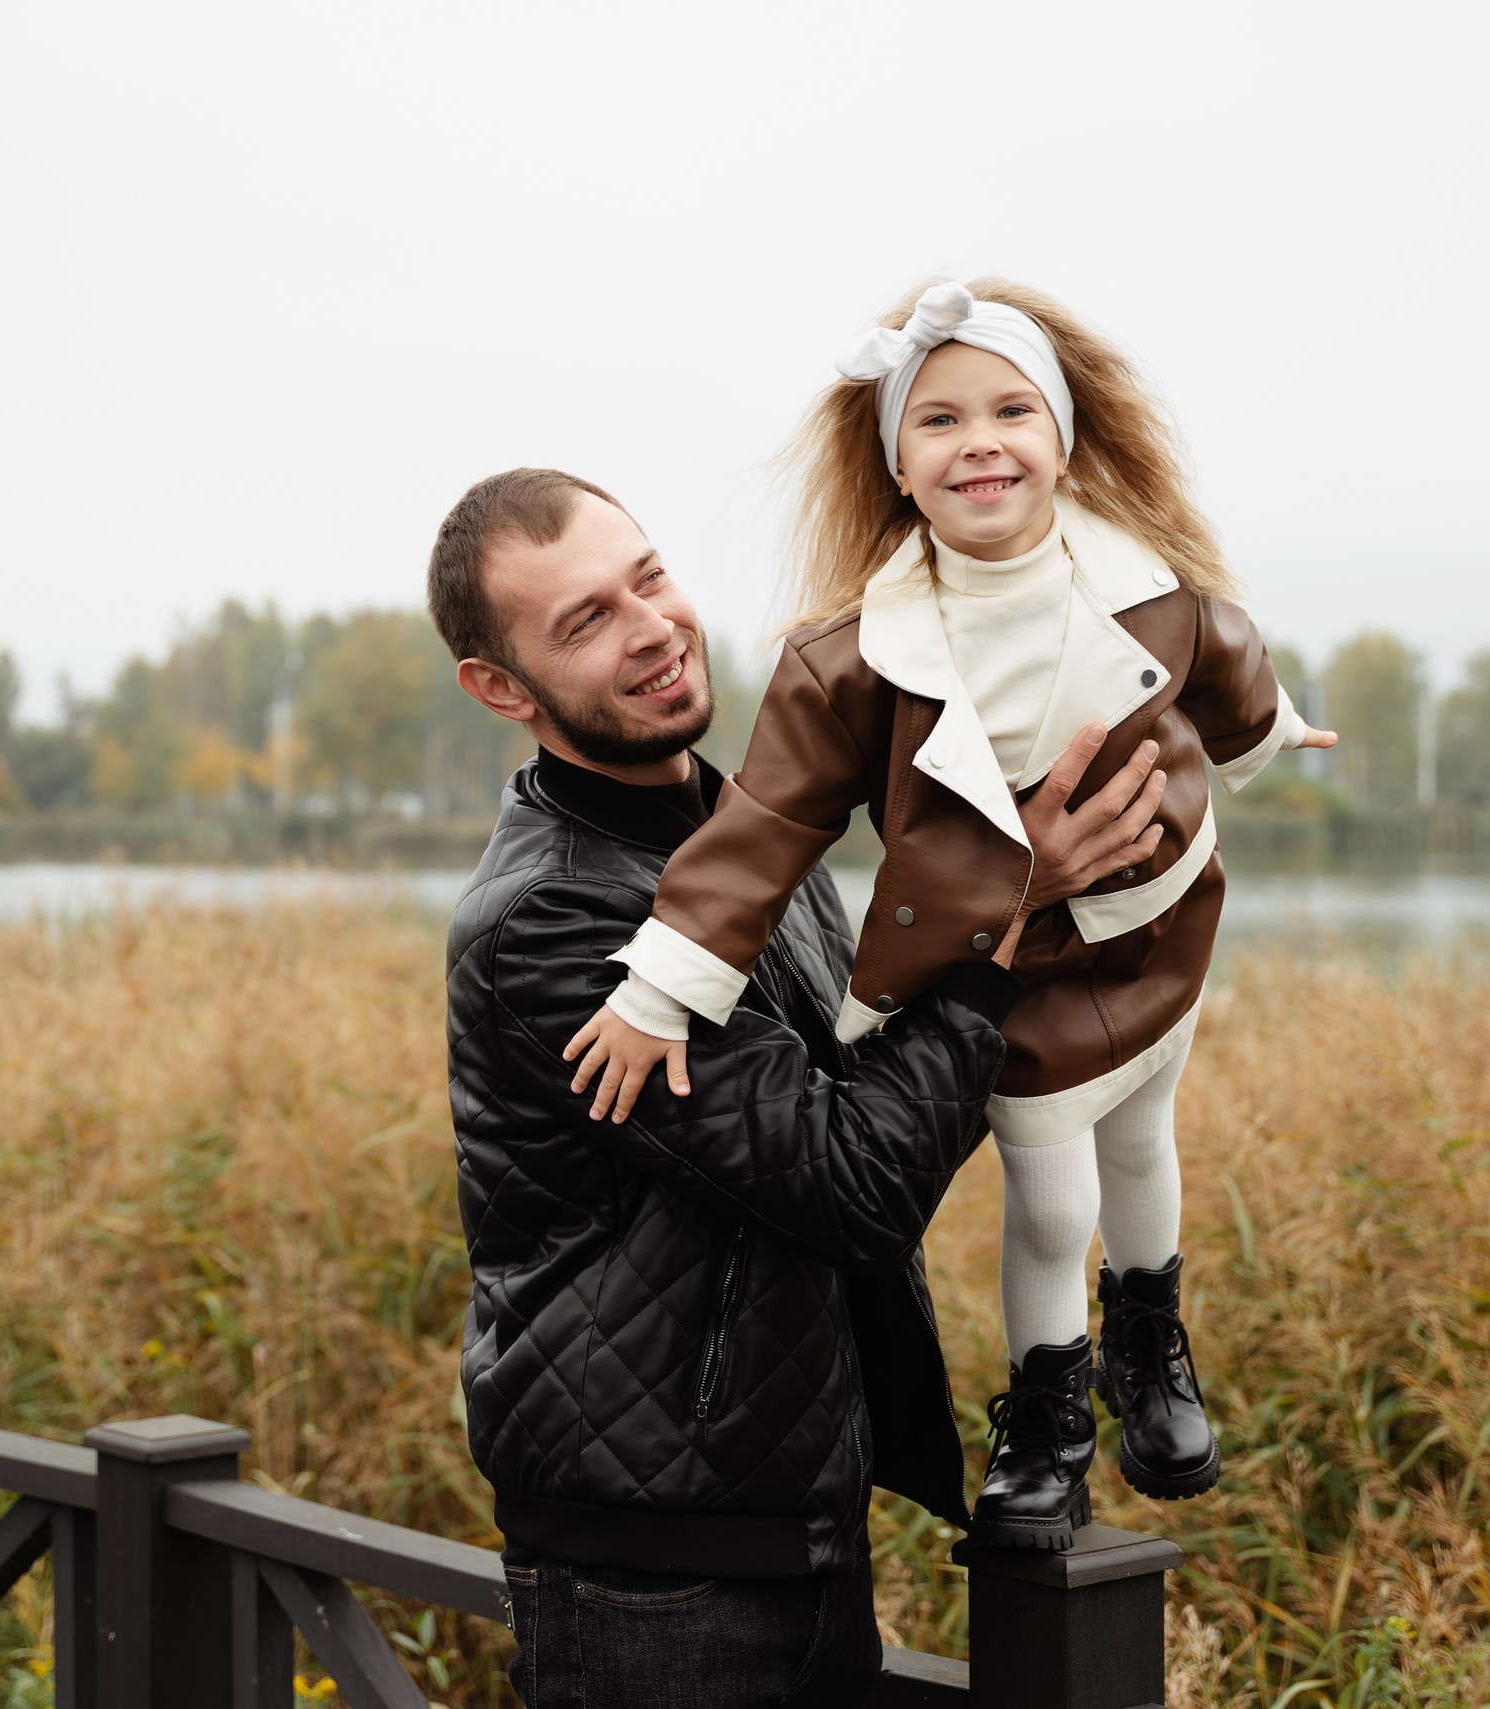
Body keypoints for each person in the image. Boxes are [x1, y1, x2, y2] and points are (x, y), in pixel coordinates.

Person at [566, 281, 1338, 1551]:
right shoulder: (850, 659)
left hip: (1158, 919)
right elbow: (761, 830)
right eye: (936, 421)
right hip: (1008, 959)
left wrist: (1270, 733)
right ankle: (1046, 1416)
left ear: (1064, 441)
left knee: (1143, 1141)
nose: (979, 441)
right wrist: (659, 991)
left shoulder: (1148, 588)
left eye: (1010, 411)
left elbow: (1226, 661)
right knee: (1049, 1198)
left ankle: (1148, 1343)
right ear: (898, 469)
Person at [430, 466, 1169, 1708]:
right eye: (586, 619)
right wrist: (1000, 919)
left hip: (790, 1526)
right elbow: (850, 1181)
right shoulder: (550, 923)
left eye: (648, 578)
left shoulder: (744, 838)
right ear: (501, 688)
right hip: (656, 1582)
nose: (651, 626)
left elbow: (878, 1102)